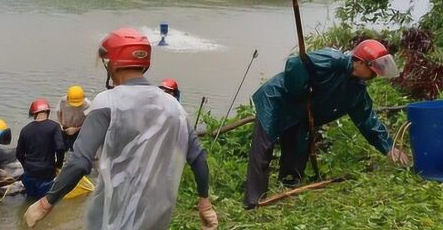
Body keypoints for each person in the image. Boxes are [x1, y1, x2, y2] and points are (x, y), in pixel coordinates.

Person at [24, 27, 218, 229]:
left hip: (113, 217)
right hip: (156, 216)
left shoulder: (108, 102)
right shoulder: (174, 106)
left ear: (113, 64)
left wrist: (45, 204)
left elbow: (80, 162)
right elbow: (198, 157)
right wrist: (204, 203)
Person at [244, 39, 410, 209]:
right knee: (263, 148)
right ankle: (254, 202)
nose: (375, 75)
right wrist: (300, 89)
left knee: (297, 149)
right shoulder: (332, 59)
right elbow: (295, 63)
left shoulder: (357, 92)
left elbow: (367, 121)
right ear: (360, 63)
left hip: (302, 113)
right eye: (372, 70)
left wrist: (389, 147)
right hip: (278, 100)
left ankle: (288, 189)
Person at [16, 98, 66, 200]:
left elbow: (18, 154)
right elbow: (60, 148)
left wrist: (26, 166)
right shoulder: (55, 126)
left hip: (29, 173)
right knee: (44, 204)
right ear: (47, 112)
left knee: (30, 200)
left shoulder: (25, 130)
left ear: (34, 114)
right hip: (46, 174)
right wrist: (58, 165)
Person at [55, 85, 92, 151]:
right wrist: (60, 125)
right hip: (64, 128)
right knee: (61, 148)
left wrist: (76, 129)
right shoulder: (63, 101)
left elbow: (90, 121)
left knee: (76, 149)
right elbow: (59, 112)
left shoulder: (88, 105)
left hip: (79, 130)